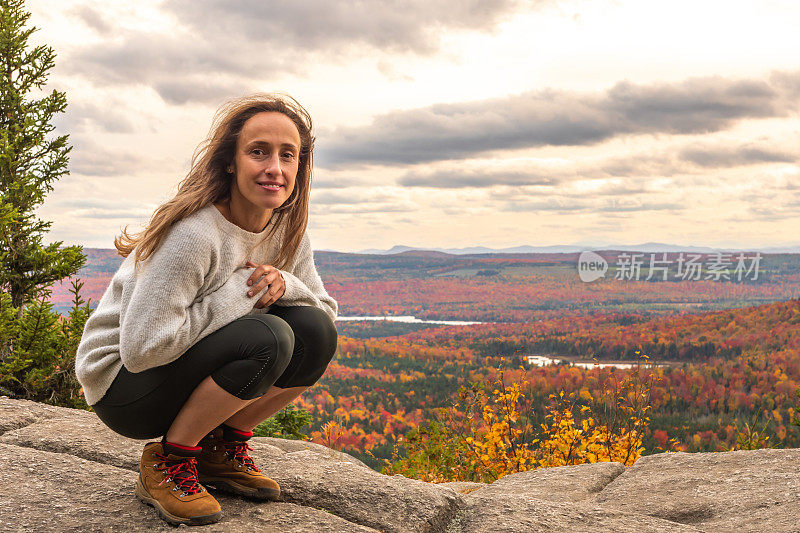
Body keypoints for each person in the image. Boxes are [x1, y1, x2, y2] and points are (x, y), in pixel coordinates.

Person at [74, 94, 338, 526]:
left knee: (316, 333)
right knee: (270, 338)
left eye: (287, 155)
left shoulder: (287, 230)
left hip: (172, 370)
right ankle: (169, 461)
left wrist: (284, 283)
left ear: (299, 167)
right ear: (231, 162)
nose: (275, 167)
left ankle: (220, 447)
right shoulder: (195, 235)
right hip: (123, 388)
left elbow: (324, 312)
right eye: (259, 151)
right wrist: (243, 292)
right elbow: (141, 349)